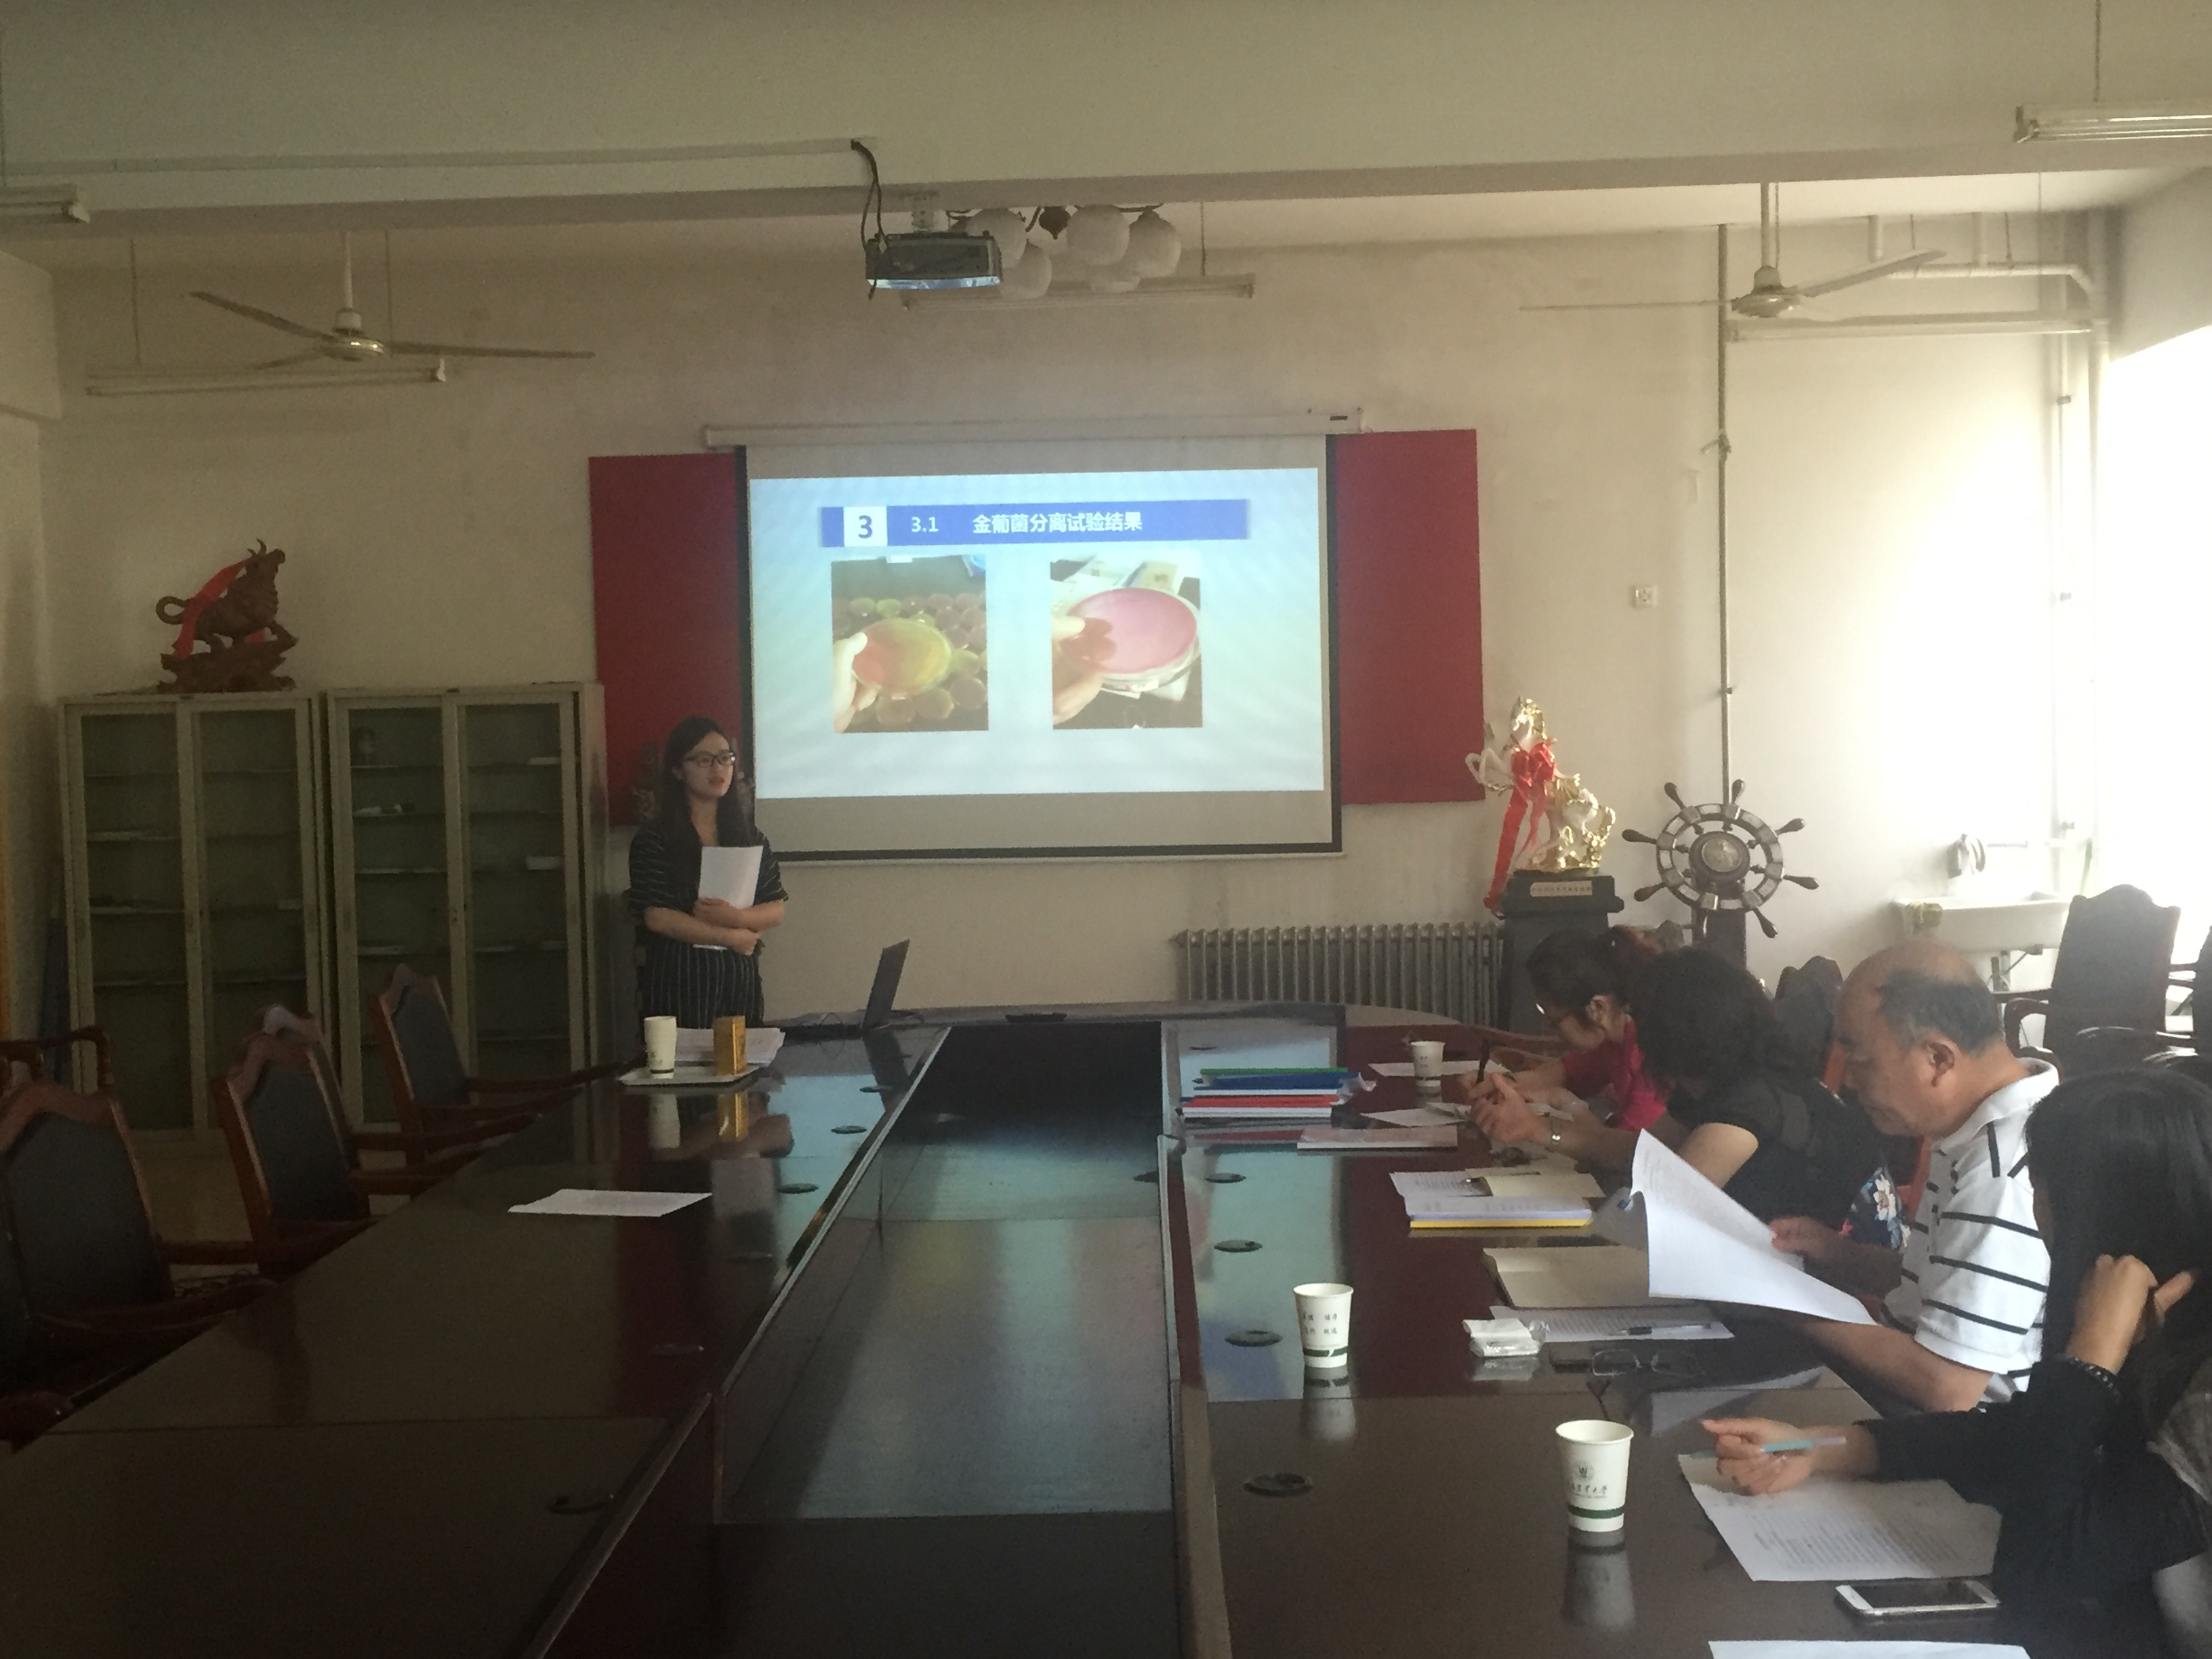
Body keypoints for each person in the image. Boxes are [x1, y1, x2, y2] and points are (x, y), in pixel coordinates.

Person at [1706, 1068, 2212, 1653]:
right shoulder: (2166, 1315)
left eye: (2041, 1185)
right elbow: (2022, 1437)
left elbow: (2035, 1573)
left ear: (2097, 1210)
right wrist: (1825, 1447)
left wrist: (2089, 1361)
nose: (2034, 1207)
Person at [1770, 939, 2057, 1410]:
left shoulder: (2001, 1170)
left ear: (1939, 1059)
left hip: (1951, 1433)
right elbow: (1938, 1287)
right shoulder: (1977, 1131)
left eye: (1861, 1060)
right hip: (1909, 1398)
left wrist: (1790, 1307)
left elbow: (1947, 1387)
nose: (1848, 1081)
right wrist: (1837, 1253)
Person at [628, 716, 787, 1026]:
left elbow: (775, 907)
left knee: (742, 1055)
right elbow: (657, 916)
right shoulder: (655, 838)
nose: (718, 768)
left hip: (738, 981)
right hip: (680, 981)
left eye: (725, 758)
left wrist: (737, 918)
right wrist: (730, 936)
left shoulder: (749, 837)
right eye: (703, 759)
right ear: (677, 770)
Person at [1461, 926, 1668, 1166]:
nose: (1549, 1031)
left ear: (1597, 1008)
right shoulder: (1613, 1038)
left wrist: (1562, 1102)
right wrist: (1501, 1084)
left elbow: (1623, 1155)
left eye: (1554, 1020)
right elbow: (1569, 1072)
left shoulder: (1649, 1054)